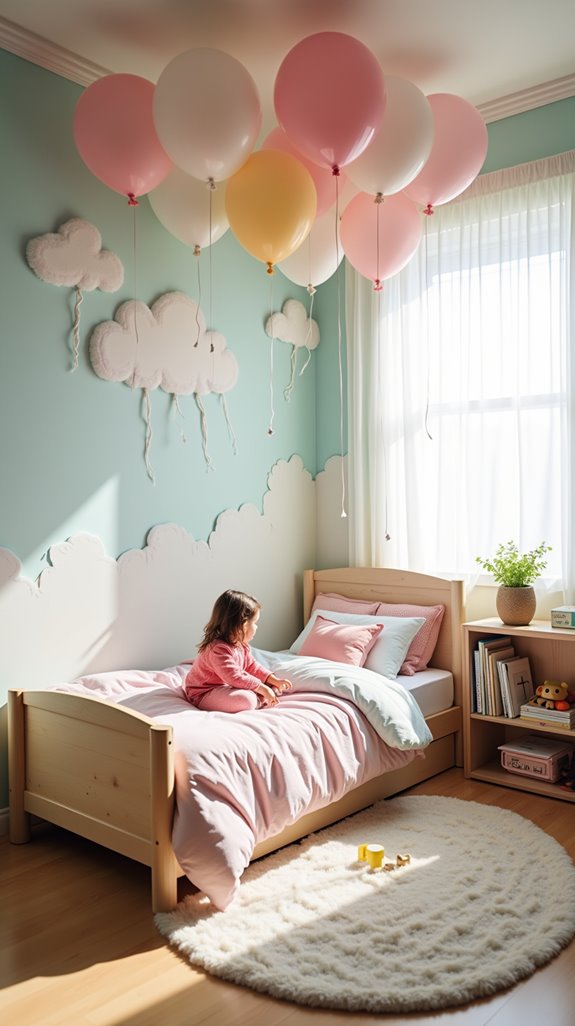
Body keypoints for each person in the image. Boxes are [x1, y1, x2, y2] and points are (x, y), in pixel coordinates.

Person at [184, 589, 293, 712]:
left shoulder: (241, 645)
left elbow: (252, 666)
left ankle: (260, 695)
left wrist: (273, 680)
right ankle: (259, 699)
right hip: (203, 693)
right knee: (245, 700)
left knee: (263, 686)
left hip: (223, 687)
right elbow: (234, 676)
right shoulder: (218, 649)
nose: (257, 627)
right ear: (243, 624)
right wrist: (263, 689)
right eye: (255, 623)